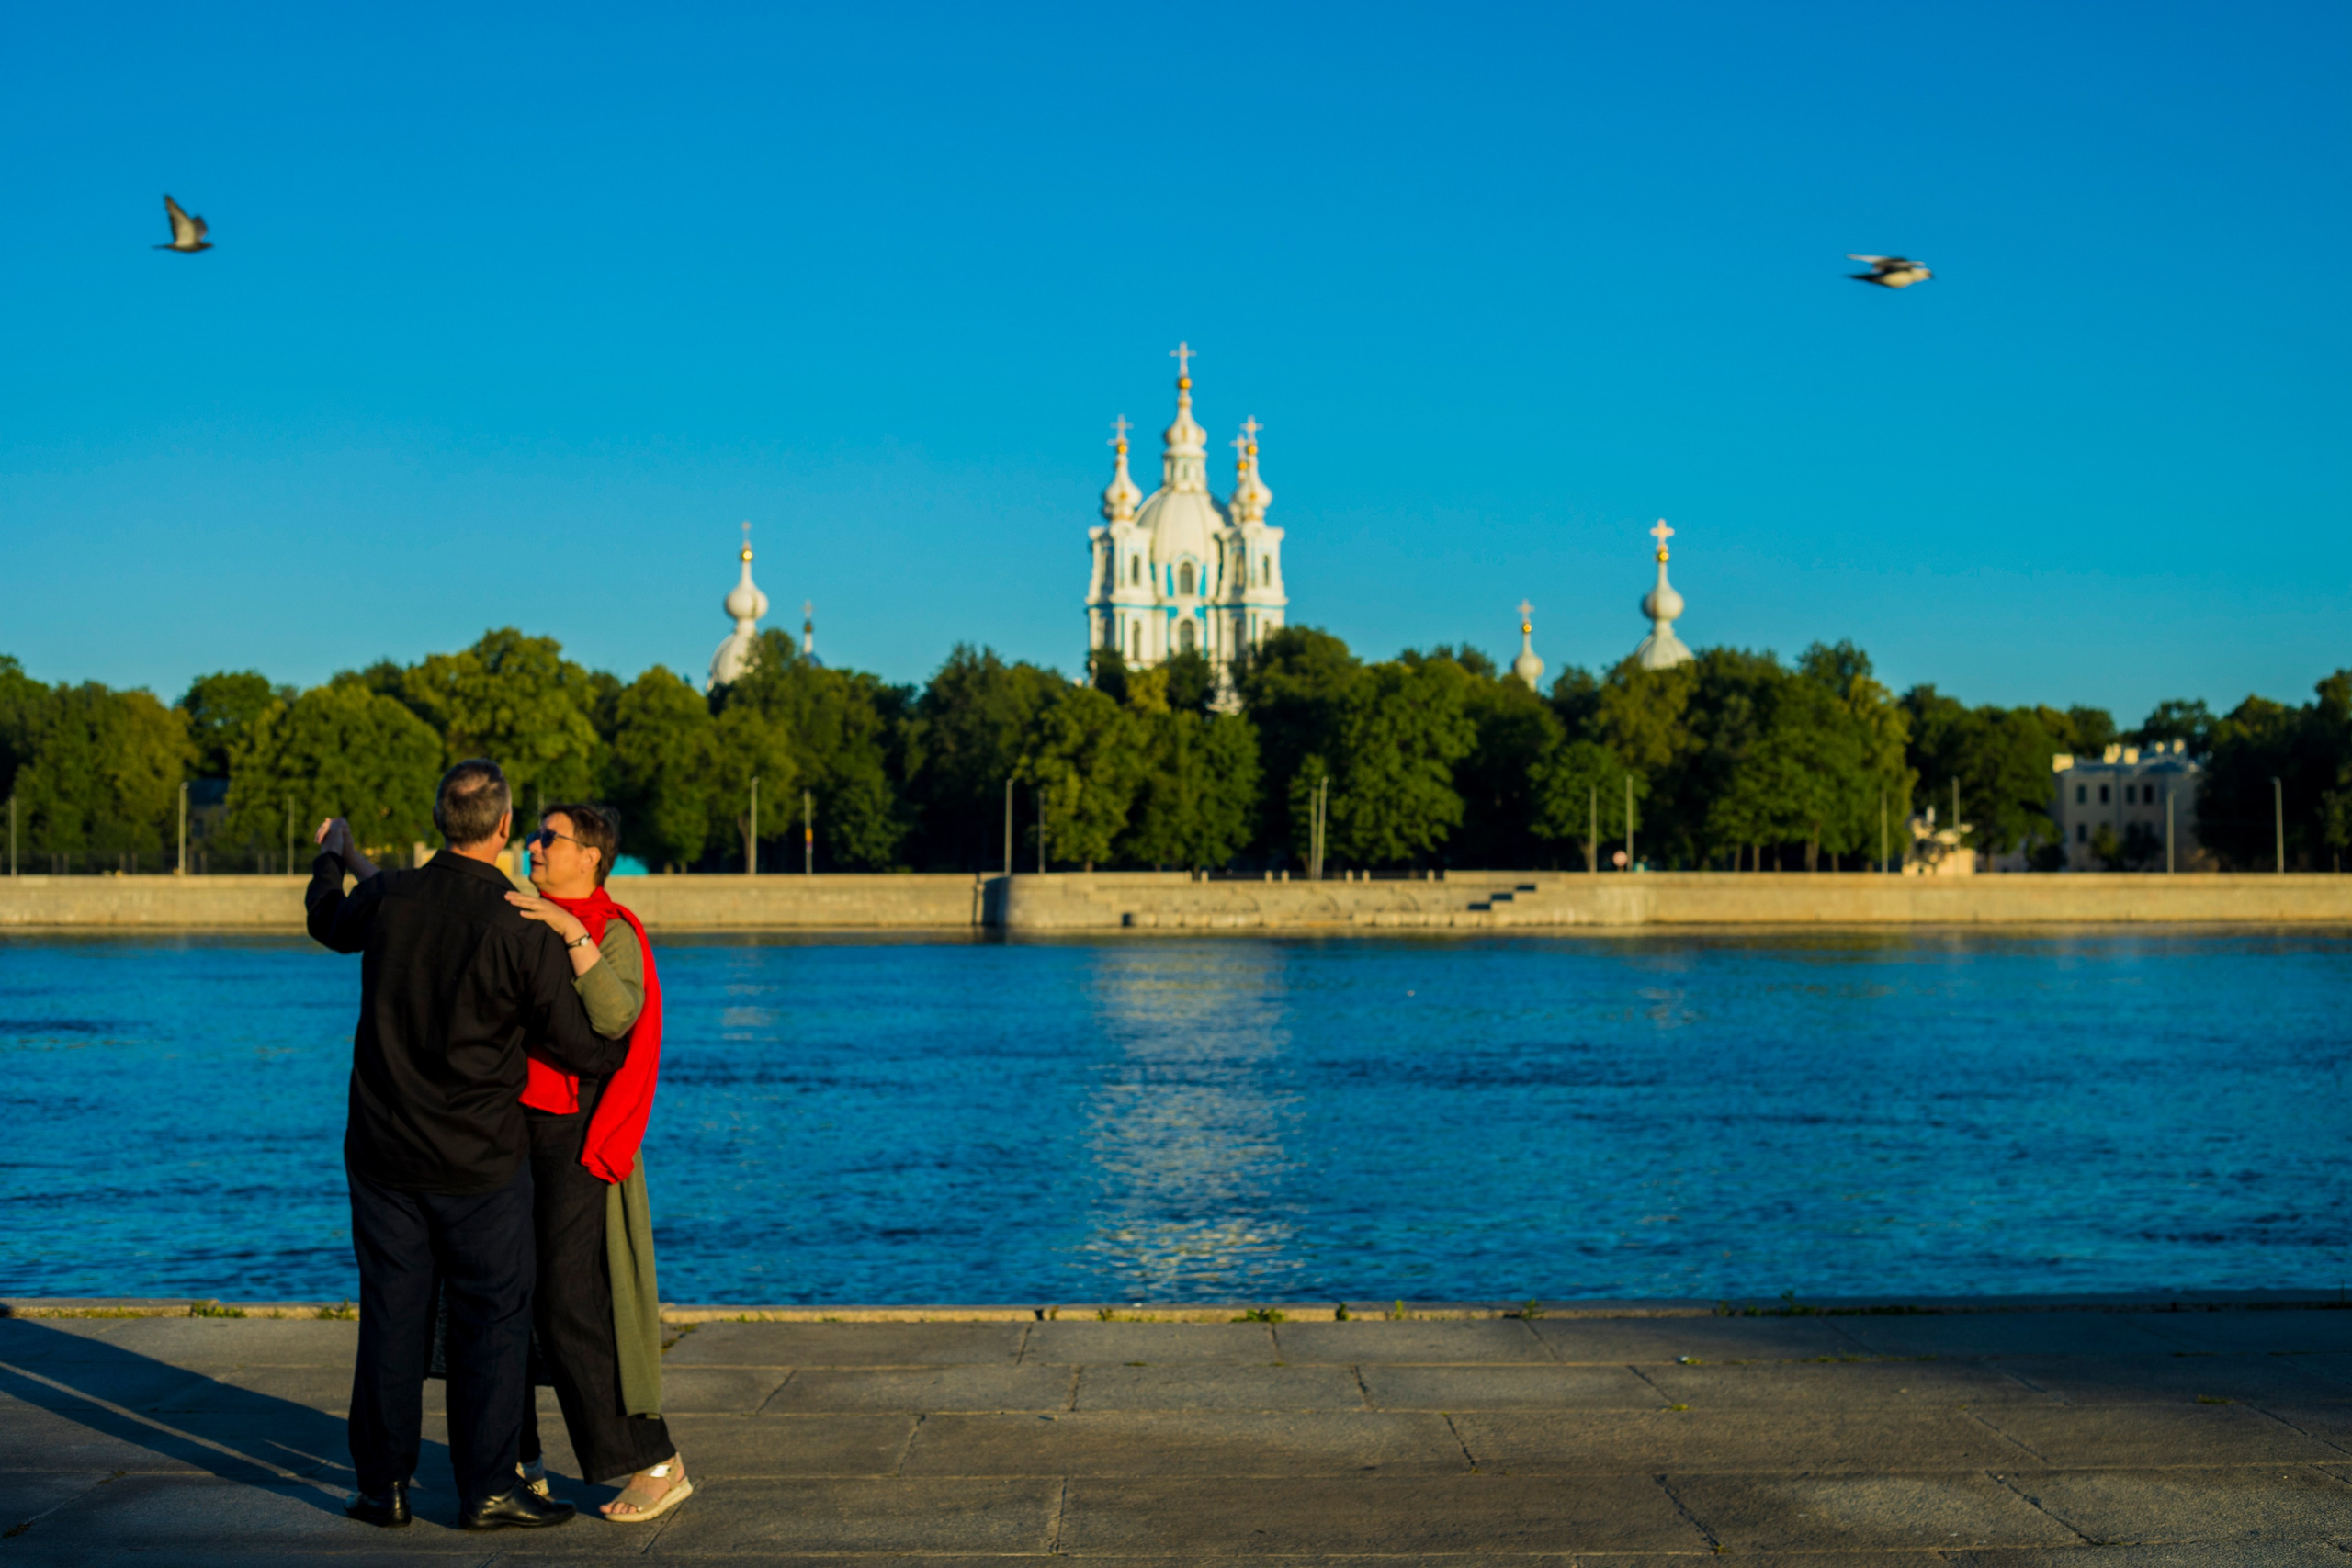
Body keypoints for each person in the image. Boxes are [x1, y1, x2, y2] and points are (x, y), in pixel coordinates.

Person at [308, 760, 628, 1533]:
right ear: (505, 829)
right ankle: (486, 1486)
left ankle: (383, 1487)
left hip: (384, 1152)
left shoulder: (389, 896)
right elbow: (591, 1048)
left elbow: (328, 916)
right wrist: (579, 941)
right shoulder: (520, 921)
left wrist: (334, 852)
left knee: (392, 1315)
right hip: (481, 1162)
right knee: (492, 1318)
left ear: (443, 819)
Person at [500, 802, 691, 1522]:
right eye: (534, 835)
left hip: (578, 1135)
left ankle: (656, 1460)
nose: (536, 846)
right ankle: (517, 1458)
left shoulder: (613, 930)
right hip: (511, 1128)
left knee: (570, 1300)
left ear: (591, 856)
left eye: (551, 838)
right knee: (503, 1293)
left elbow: (614, 1017)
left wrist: (569, 930)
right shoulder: (517, 913)